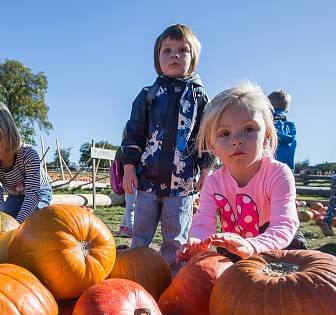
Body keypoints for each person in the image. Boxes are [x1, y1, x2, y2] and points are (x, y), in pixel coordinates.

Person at [119, 23, 215, 271]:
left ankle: (172, 278)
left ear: (192, 59)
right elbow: (133, 133)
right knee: (140, 236)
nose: (174, 55)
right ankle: (137, 273)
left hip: (181, 185)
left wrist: (205, 170)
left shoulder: (198, 97)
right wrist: (129, 168)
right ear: (157, 58)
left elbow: (204, 137)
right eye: (167, 50)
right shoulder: (148, 95)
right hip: (147, 182)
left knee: (175, 239)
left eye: (182, 50)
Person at [177, 82, 303, 264]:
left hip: (278, 247)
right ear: (212, 145)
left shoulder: (278, 174)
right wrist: (197, 240)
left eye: (249, 129)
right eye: (224, 133)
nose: (236, 140)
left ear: (267, 134)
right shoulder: (213, 182)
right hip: (234, 247)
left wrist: (252, 246)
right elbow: (204, 221)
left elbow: (284, 225)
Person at [0, 101, 52, 223]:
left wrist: (18, 225)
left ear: (9, 134)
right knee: (6, 218)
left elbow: (33, 195)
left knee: (35, 221)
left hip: (38, 192)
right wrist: (2, 223)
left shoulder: (28, 155)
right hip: (15, 195)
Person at [268, 90, 296, 170]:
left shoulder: (268, 125)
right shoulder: (292, 127)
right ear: (287, 110)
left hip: (270, 169)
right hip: (288, 170)